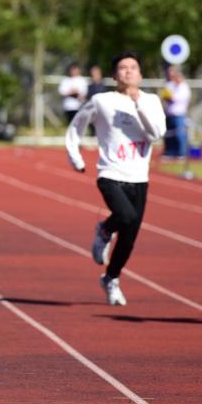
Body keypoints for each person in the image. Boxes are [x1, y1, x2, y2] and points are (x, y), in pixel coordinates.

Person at [65, 51, 166, 306]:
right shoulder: (102, 101)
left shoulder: (151, 101)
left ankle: (111, 278)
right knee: (125, 217)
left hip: (139, 177)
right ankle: (104, 230)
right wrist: (75, 156)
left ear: (140, 75)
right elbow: (77, 125)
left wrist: (137, 104)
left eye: (133, 67)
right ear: (114, 75)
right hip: (110, 173)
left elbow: (156, 133)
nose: (128, 71)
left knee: (129, 239)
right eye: (123, 67)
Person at [162, 65, 191, 158]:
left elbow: (179, 98)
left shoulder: (184, 86)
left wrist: (171, 97)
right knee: (169, 135)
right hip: (169, 113)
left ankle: (181, 153)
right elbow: (165, 96)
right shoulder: (170, 85)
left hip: (179, 114)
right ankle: (170, 152)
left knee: (179, 134)